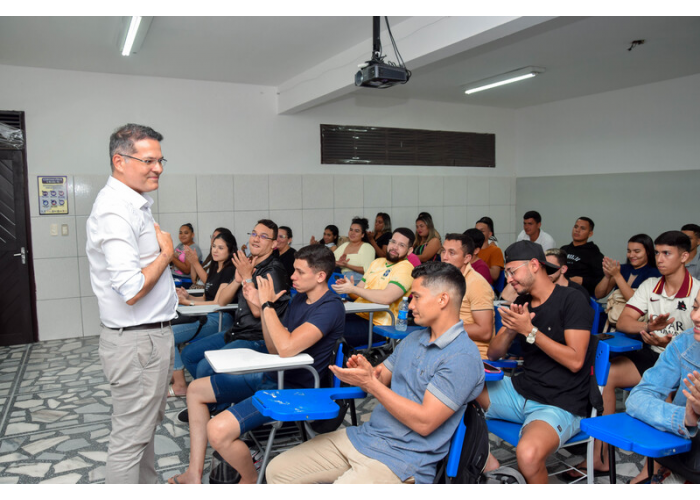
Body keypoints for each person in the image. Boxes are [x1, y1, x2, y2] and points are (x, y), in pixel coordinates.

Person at [266, 261, 485, 484]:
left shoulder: (461, 357)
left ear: (442, 299)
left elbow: (424, 422)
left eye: (417, 297)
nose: (410, 305)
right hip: (367, 438)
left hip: (403, 460)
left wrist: (371, 383)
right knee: (277, 470)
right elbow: (380, 377)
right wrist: (365, 373)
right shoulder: (414, 339)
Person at [168, 245, 345, 484]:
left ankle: (251, 480)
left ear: (321, 276)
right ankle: (193, 474)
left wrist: (267, 305)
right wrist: (264, 307)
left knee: (218, 430)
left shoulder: (330, 307)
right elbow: (274, 347)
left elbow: (286, 348)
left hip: (293, 389)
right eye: (294, 270)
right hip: (274, 376)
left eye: (300, 272)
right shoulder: (300, 299)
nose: (292, 276)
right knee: (195, 389)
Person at [85, 123, 177, 483]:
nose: (159, 168)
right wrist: (166, 254)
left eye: (161, 160)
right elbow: (131, 289)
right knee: (130, 440)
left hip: (147, 338)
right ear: (119, 161)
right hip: (138, 341)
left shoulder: (134, 203)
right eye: (149, 160)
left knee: (143, 432)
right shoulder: (115, 209)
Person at [575, 231, 700, 481]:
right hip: (655, 353)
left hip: (683, 359)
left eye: (667, 253)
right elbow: (624, 322)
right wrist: (648, 327)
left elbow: (689, 342)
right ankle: (601, 455)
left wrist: (670, 342)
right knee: (608, 375)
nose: (660, 259)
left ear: (684, 256)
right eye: (658, 253)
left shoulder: (696, 290)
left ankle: (652, 468)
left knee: (669, 394)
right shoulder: (650, 285)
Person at [481, 240, 596, 484]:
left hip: (559, 403)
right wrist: (512, 329)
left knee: (528, 455)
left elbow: (576, 360)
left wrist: (530, 331)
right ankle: (487, 463)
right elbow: (493, 354)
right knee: (457, 386)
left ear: (534, 265)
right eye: (506, 273)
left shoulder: (572, 300)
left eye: (512, 271)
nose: (509, 279)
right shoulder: (523, 302)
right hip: (520, 392)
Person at [178, 220, 290, 391]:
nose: (256, 239)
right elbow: (222, 300)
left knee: (205, 367)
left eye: (263, 236)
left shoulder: (273, 270)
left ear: (274, 244)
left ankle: (214, 399)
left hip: (257, 338)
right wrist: (238, 280)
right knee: (188, 354)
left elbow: (258, 311)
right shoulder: (248, 264)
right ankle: (215, 397)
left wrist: (247, 278)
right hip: (237, 331)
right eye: (254, 234)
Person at [626, 289, 700, 484]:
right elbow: (637, 398)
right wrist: (686, 417)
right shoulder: (685, 343)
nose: (695, 317)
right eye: (695, 307)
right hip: (685, 460)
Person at [169, 230, 238, 397]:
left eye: (220, 248)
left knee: (169, 335)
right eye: (214, 246)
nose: (215, 250)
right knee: (166, 331)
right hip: (207, 314)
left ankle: (180, 385)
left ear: (230, 250)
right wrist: (188, 297)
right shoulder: (215, 267)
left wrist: (189, 303)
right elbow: (207, 298)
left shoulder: (230, 270)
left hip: (220, 318)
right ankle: (179, 378)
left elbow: (218, 303)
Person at [331, 228, 415, 347]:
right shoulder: (377, 263)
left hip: (379, 325)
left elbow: (386, 298)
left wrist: (353, 289)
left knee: (331, 332)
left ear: (409, 250)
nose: (395, 247)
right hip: (358, 313)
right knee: (324, 321)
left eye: (401, 245)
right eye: (393, 242)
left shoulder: (406, 268)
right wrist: (349, 287)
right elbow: (356, 295)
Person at [439, 233, 495, 359]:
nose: (445, 257)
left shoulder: (476, 284)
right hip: (448, 348)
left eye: (452, 253)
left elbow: (484, 331)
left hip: (471, 355)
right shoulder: (445, 280)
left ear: (467, 258)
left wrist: (444, 328)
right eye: (443, 251)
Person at [500, 247, 590, 303]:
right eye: (544, 266)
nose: (545, 271)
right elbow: (507, 296)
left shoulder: (577, 294)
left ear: (563, 269)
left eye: (551, 266)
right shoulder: (536, 291)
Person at [594, 233, 661, 301]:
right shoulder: (621, 269)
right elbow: (598, 295)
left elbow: (634, 301)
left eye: (637, 251)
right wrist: (607, 277)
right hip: (615, 307)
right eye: (629, 251)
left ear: (648, 252)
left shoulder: (655, 273)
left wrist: (617, 276)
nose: (631, 255)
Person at [560, 217, 604, 296]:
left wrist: (584, 281)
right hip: (559, 288)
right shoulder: (564, 249)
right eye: (576, 227)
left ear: (590, 234)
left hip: (579, 293)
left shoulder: (594, 254)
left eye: (582, 228)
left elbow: (601, 280)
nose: (577, 230)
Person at [333, 217, 375, 283]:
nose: (352, 233)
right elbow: (329, 260)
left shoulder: (368, 247)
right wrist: (336, 263)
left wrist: (347, 265)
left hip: (360, 281)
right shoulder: (344, 245)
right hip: (342, 278)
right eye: (351, 230)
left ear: (362, 235)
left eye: (356, 231)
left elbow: (367, 271)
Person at [475, 216, 504, 282]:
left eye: (482, 231)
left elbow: (495, 275)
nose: (478, 233)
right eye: (476, 231)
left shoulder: (495, 250)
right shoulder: (469, 250)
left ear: (489, 234)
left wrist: (477, 265)